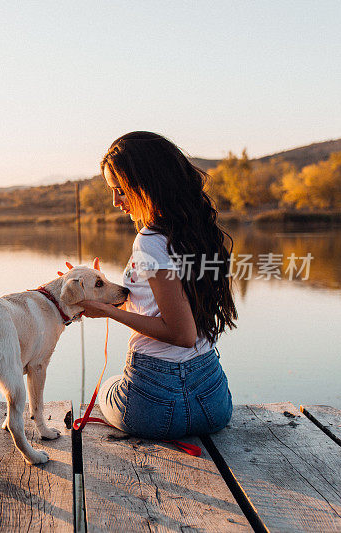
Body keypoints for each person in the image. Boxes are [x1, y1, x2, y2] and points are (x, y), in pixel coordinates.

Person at [81, 131, 237, 439]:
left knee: (108, 388)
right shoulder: (196, 230)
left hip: (154, 404)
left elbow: (182, 333)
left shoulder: (150, 240)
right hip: (213, 402)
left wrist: (108, 312)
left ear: (146, 184)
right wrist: (107, 293)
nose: (116, 202)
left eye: (121, 190)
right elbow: (165, 304)